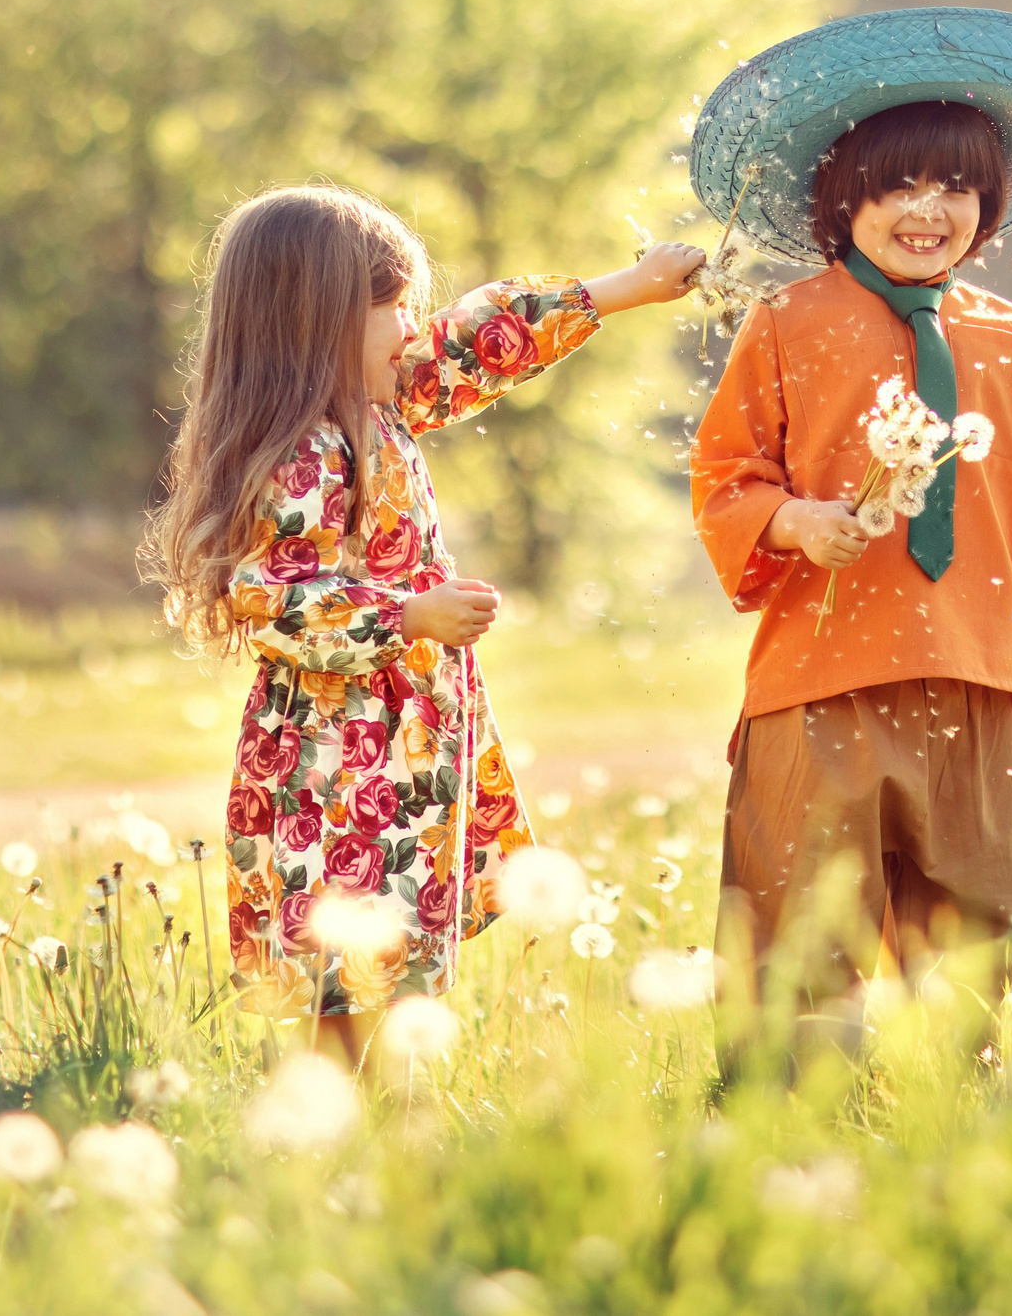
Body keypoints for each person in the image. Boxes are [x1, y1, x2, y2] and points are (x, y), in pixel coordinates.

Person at [143, 182, 704, 1062]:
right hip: (336, 760)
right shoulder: (304, 453)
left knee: (394, 940)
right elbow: (274, 594)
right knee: (347, 944)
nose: (413, 328)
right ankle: (341, 1119)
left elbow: (473, 345)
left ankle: (377, 1116)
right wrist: (410, 615)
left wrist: (624, 288)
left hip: (396, 743)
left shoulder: (380, 405)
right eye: (394, 307)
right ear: (316, 321)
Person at [687, 8, 1012, 1042]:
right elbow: (723, 471)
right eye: (898, 186)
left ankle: (940, 1116)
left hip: (982, 675)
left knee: (968, 930)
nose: (928, 211)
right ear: (843, 198)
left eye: (957, 188)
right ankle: (784, 1119)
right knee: (799, 927)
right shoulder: (789, 323)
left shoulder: (1010, 337)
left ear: (990, 204)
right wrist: (792, 521)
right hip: (821, 675)